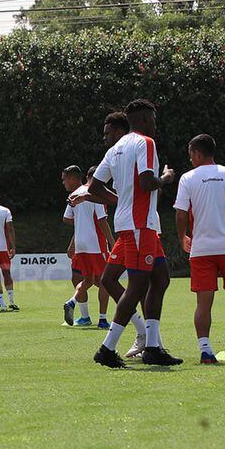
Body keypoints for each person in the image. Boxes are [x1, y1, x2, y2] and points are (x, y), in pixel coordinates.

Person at [86, 99, 180, 368]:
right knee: (139, 285)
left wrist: (121, 200)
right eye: (152, 119)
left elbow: (93, 187)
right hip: (140, 226)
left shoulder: (116, 148)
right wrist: (167, 178)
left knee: (160, 278)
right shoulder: (145, 143)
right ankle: (107, 348)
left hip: (132, 224)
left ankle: (152, 346)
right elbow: (148, 181)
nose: (154, 125)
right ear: (142, 119)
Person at [69, 112, 150, 356]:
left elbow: (140, 188)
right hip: (129, 227)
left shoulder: (139, 146)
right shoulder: (116, 153)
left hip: (138, 226)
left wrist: (164, 180)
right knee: (127, 282)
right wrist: (87, 195)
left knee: (137, 284)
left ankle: (135, 340)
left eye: (107, 132)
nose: (104, 137)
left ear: (118, 130)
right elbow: (115, 197)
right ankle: (147, 337)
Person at [173, 134, 225, 363]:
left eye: (191, 154)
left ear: (197, 153)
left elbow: (181, 213)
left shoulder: (187, 178)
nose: (190, 158)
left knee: (204, 302)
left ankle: (205, 350)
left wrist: (183, 238)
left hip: (201, 249)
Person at [61, 167, 113, 327]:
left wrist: (80, 229)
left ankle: (72, 302)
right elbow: (102, 220)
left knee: (88, 279)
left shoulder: (74, 194)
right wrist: (112, 242)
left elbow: (66, 218)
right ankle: (103, 320)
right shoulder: (95, 193)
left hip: (81, 244)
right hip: (96, 245)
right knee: (105, 281)